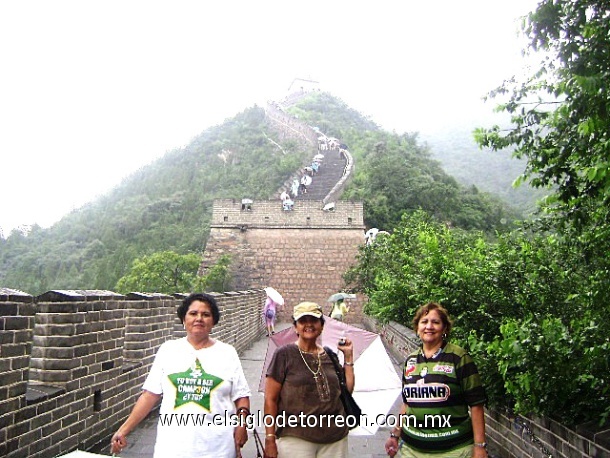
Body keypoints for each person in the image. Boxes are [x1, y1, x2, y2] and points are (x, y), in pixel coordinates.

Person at [110, 293, 251, 458]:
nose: (199, 318)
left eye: (206, 315)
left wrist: (242, 425)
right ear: (183, 320)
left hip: (218, 448)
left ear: (213, 322)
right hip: (173, 448)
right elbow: (149, 395)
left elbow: (241, 396)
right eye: (193, 314)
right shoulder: (168, 350)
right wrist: (123, 430)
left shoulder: (227, 353)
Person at [385, 302, 488, 458]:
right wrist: (395, 434)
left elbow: (476, 404)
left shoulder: (458, 357)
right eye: (424, 322)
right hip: (412, 450)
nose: (429, 326)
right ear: (417, 328)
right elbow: (407, 403)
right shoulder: (411, 360)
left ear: (445, 328)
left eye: (435, 322)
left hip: (453, 450)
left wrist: (479, 446)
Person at [264, 302, 355, 458]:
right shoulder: (284, 354)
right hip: (296, 437)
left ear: (322, 325)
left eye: (313, 320)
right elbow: (270, 399)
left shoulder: (330, 355)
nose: (309, 325)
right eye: (303, 321)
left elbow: (347, 390)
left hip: (335, 438)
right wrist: (270, 438)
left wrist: (348, 358)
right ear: (295, 327)